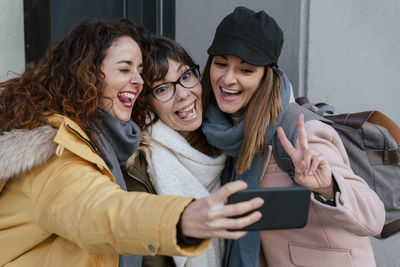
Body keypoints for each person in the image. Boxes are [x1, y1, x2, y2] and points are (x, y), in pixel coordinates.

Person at [0, 19, 264, 267]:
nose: (138, 81)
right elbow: (99, 212)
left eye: (139, 71)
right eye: (125, 69)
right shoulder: (56, 153)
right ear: (87, 75)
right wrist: (181, 219)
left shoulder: (106, 140)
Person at [201, 6, 386, 267]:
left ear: (267, 76)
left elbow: (373, 217)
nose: (228, 79)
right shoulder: (218, 128)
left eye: (246, 70)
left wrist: (327, 186)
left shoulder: (301, 132)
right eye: (220, 64)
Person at [123, 36, 230, 267]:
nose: (182, 94)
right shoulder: (142, 161)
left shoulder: (226, 139)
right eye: (162, 89)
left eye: (186, 76)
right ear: (146, 103)